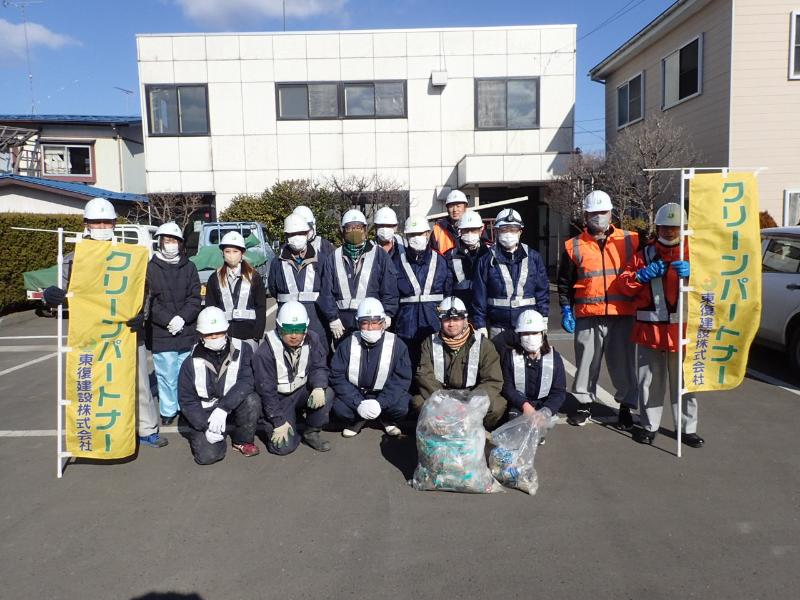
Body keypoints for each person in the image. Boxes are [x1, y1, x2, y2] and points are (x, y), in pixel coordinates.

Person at [42, 197, 166, 448]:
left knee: (139, 381)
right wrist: (51, 295)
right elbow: (60, 290)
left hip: (127, 330)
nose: (101, 227)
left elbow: (147, 290)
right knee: (96, 382)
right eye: (95, 222)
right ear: (85, 224)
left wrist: (142, 315)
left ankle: (146, 428)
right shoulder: (73, 258)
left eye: (106, 222)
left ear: (114, 224)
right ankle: (98, 432)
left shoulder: (129, 255)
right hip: (91, 333)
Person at [618, 203, 703, 448]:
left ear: (683, 228)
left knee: (685, 384)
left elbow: (711, 283)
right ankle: (649, 426)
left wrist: (694, 273)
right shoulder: (643, 254)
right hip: (650, 331)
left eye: (674, 228)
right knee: (649, 383)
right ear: (657, 227)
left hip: (682, 332)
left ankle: (688, 429)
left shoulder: (693, 253)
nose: (669, 232)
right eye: (664, 227)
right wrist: (640, 276)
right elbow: (623, 284)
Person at [558, 190, 639, 429]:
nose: (598, 217)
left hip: (621, 314)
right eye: (593, 213)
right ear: (585, 215)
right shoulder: (573, 245)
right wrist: (565, 308)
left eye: (602, 212)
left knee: (623, 364)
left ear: (611, 212)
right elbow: (564, 282)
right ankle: (583, 405)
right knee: (586, 363)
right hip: (587, 315)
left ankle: (625, 407)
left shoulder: (630, 240)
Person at [177, 307, 261, 464]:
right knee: (208, 457)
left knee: (252, 400)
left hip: (231, 404)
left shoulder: (243, 349)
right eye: (208, 334)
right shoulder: (190, 362)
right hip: (205, 412)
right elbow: (187, 400)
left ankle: (242, 441)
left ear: (226, 330)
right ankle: (215, 434)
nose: (214, 336)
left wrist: (224, 408)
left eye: (218, 332)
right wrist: (204, 426)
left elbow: (247, 380)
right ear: (201, 335)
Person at [252, 301, 332, 454]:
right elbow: (266, 391)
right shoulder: (264, 353)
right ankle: (288, 422)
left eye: (299, 329)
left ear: (306, 328)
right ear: (279, 328)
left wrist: (318, 386)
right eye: (288, 330)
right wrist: (278, 421)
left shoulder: (313, 339)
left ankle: (311, 431)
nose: (294, 335)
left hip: (301, 392)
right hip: (280, 399)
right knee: (282, 448)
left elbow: (319, 366)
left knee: (327, 393)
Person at [413, 297, 506, 429]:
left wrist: (471, 404)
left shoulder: (484, 344)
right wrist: (446, 403)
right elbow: (424, 376)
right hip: (442, 396)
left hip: (471, 396)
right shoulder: (429, 343)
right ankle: (440, 431)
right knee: (418, 402)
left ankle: (476, 430)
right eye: (447, 320)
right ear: (440, 321)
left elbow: (492, 380)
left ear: (465, 320)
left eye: (456, 319)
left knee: (498, 405)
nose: (452, 324)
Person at [329, 298, 412, 438]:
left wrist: (381, 403)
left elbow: (401, 379)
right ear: (358, 324)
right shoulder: (347, 344)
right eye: (365, 323)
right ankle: (358, 419)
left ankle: (386, 419)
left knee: (402, 407)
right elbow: (336, 376)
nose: (370, 328)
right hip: (357, 394)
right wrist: (357, 403)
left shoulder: (397, 345)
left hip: (383, 394)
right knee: (340, 410)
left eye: (374, 323)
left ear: (383, 323)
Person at [146, 222, 202, 426]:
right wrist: (168, 320)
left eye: (174, 241)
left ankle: (185, 407)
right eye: (167, 240)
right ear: (159, 242)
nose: (171, 245)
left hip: (186, 329)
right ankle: (168, 410)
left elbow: (195, 297)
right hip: (162, 331)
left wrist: (182, 318)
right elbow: (149, 302)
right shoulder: (150, 268)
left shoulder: (189, 266)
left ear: (181, 244)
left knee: (186, 373)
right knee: (166, 374)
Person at [319, 209, 399, 341]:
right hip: (342, 324)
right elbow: (326, 292)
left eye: (358, 227)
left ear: (365, 230)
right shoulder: (333, 257)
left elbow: (389, 288)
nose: (354, 231)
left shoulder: (380, 255)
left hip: (371, 322)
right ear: (343, 231)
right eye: (350, 228)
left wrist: (388, 314)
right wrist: (333, 318)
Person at [472, 208, 549, 339]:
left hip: (527, 328)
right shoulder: (486, 260)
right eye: (504, 230)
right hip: (497, 328)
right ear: (496, 232)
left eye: (513, 230)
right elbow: (479, 296)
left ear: (520, 232)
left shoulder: (534, 257)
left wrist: (544, 317)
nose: (508, 234)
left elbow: (542, 291)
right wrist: (480, 325)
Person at [500, 310, 567, 442]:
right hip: (519, 404)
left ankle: (539, 430)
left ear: (542, 334)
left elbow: (559, 392)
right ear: (519, 335)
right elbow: (507, 387)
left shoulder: (554, 358)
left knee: (538, 429)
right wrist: (524, 406)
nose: (530, 337)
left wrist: (546, 411)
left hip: (543, 405)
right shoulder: (510, 356)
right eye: (525, 333)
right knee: (516, 430)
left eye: (535, 332)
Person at [392, 216, 451, 363]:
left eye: (420, 233)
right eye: (412, 234)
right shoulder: (396, 261)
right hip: (406, 326)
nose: (416, 237)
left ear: (428, 234)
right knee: (408, 366)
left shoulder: (441, 260)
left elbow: (448, 293)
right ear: (406, 236)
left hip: (434, 324)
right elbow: (391, 294)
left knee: (434, 365)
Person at [268, 214, 328, 342]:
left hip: (316, 323)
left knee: (318, 358)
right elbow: (273, 290)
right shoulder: (277, 263)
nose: (297, 237)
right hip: (287, 325)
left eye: (300, 233)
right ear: (286, 236)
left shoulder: (321, 260)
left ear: (307, 234)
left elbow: (327, 291)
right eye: (292, 234)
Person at [204, 231, 266, 348]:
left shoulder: (254, 277)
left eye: (235, 251)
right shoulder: (214, 278)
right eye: (227, 251)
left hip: (249, 335)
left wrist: (257, 334)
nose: (231, 255)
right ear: (222, 253)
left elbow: (261, 307)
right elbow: (210, 307)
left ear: (242, 253)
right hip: (224, 335)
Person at [444, 209, 489, 318]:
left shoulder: (489, 253)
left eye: (473, 230)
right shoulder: (450, 254)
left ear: (481, 230)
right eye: (466, 230)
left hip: (486, 312)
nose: (469, 234)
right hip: (460, 313)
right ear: (460, 231)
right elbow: (447, 287)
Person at [431, 189, 469, 255]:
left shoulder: (475, 226)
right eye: (451, 206)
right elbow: (432, 255)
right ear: (447, 209)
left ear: (465, 207)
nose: (455, 210)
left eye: (458, 206)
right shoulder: (438, 230)